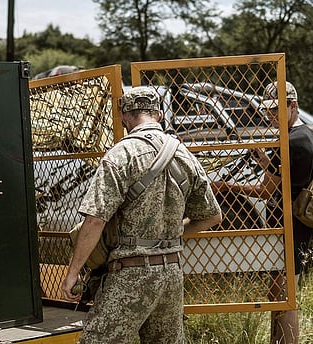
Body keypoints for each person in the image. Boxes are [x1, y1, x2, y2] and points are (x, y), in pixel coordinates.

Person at [62, 86, 222, 344]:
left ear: (125, 116)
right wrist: (174, 232)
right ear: (158, 114)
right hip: (171, 271)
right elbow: (212, 217)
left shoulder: (120, 155)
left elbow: (95, 220)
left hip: (130, 274)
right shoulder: (184, 155)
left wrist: (73, 272)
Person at [211, 81, 313, 344]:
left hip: (287, 227)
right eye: (267, 110)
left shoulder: (286, 144)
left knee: (285, 297)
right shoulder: (307, 136)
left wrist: (224, 186)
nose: (270, 116)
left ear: (292, 105)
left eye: (275, 110)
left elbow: (265, 190)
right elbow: (288, 176)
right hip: (300, 223)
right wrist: (263, 159)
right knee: (282, 293)